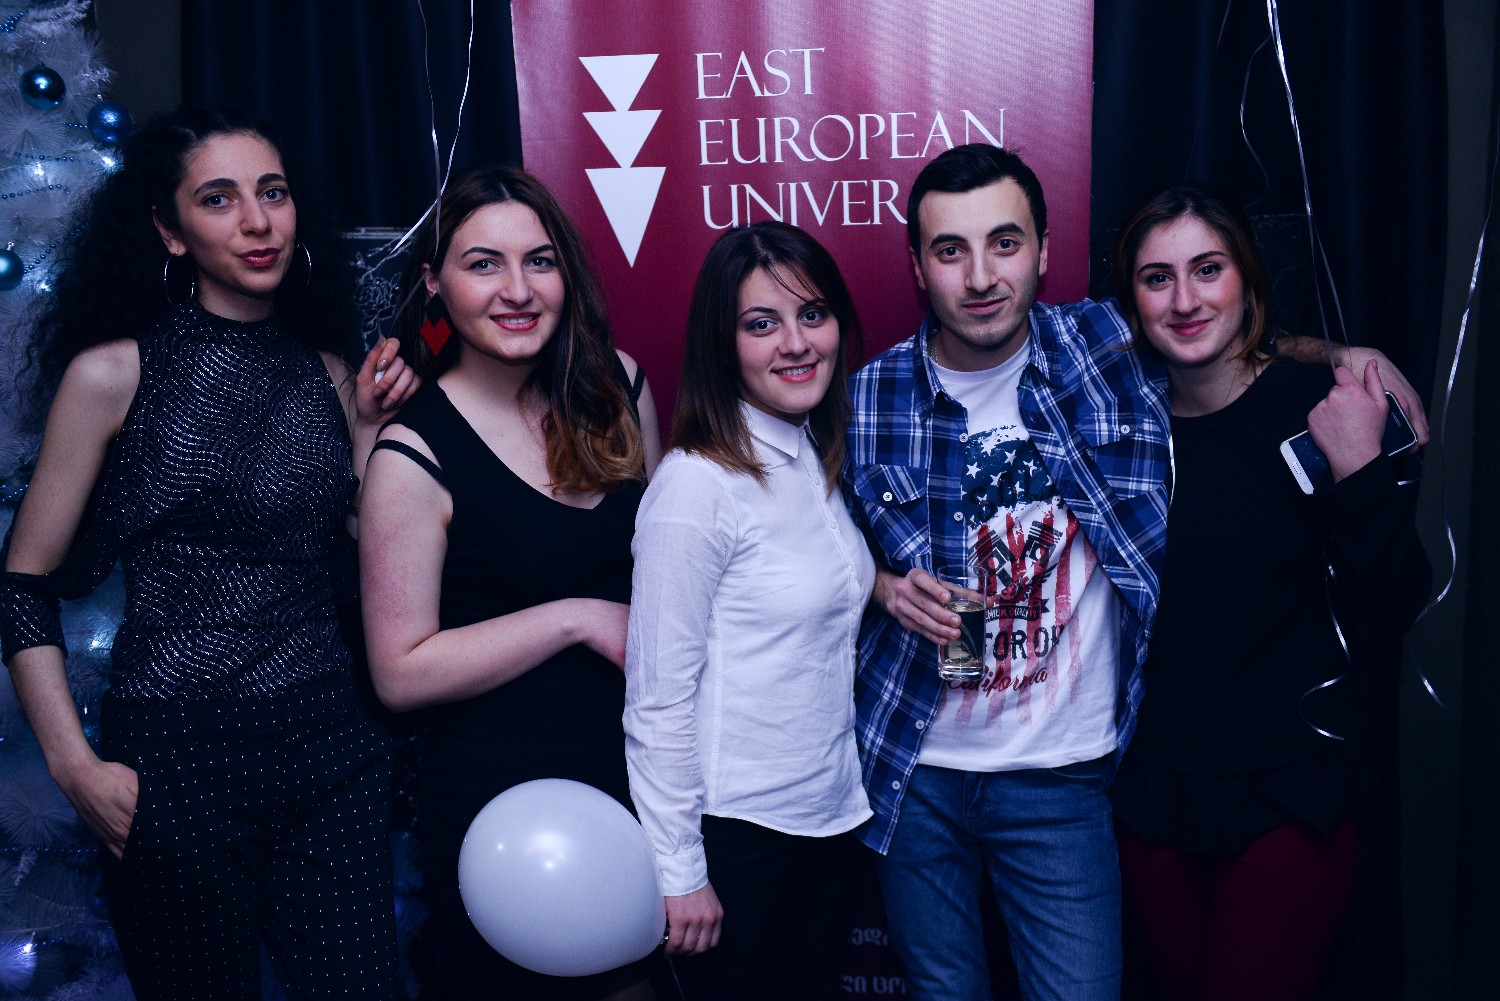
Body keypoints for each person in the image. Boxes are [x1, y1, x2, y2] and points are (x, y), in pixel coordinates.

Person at [843, 143, 1428, 1001]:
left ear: (1044, 252)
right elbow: (803, 545)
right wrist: (879, 585)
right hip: (921, 764)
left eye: (1004, 242)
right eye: (949, 249)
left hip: (1078, 775)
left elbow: (1217, 331)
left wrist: (1352, 354)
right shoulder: (866, 397)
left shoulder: (1096, 347)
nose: (980, 276)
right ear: (916, 265)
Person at [0, 108, 416, 999]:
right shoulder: (113, 374)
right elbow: (22, 584)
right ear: (170, 230)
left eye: (273, 193)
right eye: (219, 199)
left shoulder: (328, 371)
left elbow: (357, 551)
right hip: (177, 764)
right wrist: (74, 766)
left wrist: (370, 429)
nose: (258, 222)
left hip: (330, 751)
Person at [1107, 184, 1430, 1001]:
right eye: (1157, 278)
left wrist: (1360, 469)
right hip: (1156, 793)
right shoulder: (1116, 423)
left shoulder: (1321, 409)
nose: (1185, 300)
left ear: (1246, 277)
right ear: (1131, 300)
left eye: (1208, 269)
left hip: (1290, 789)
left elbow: (1398, 603)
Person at [357, 163, 662, 1001]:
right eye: (483, 263)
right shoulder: (412, 453)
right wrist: (575, 618)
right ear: (435, 285)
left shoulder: (621, 389)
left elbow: (669, 575)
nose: (518, 289)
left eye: (540, 260)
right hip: (502, 808)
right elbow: (399, 671)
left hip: (639, 776)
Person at [624, 221, 874, 1001]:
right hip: (737, 840)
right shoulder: (696, 485)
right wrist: (679, 868)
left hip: (831, 821)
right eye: (762, 323)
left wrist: (889, 590)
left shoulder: (813, 456)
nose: (796, 343)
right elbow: (657, 696)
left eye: (813, 314)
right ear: (722, 344)